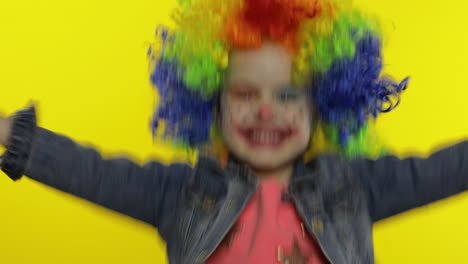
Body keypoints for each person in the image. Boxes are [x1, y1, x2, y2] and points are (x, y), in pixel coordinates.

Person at [1, 0, 467, 263]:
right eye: (245, 95)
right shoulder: (183, 192)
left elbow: (443, 170)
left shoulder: (352, 188)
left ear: (322, 108)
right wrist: (9, 133)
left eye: (287, 96)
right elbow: (93, 173)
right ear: (212, 106)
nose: (266, 111)